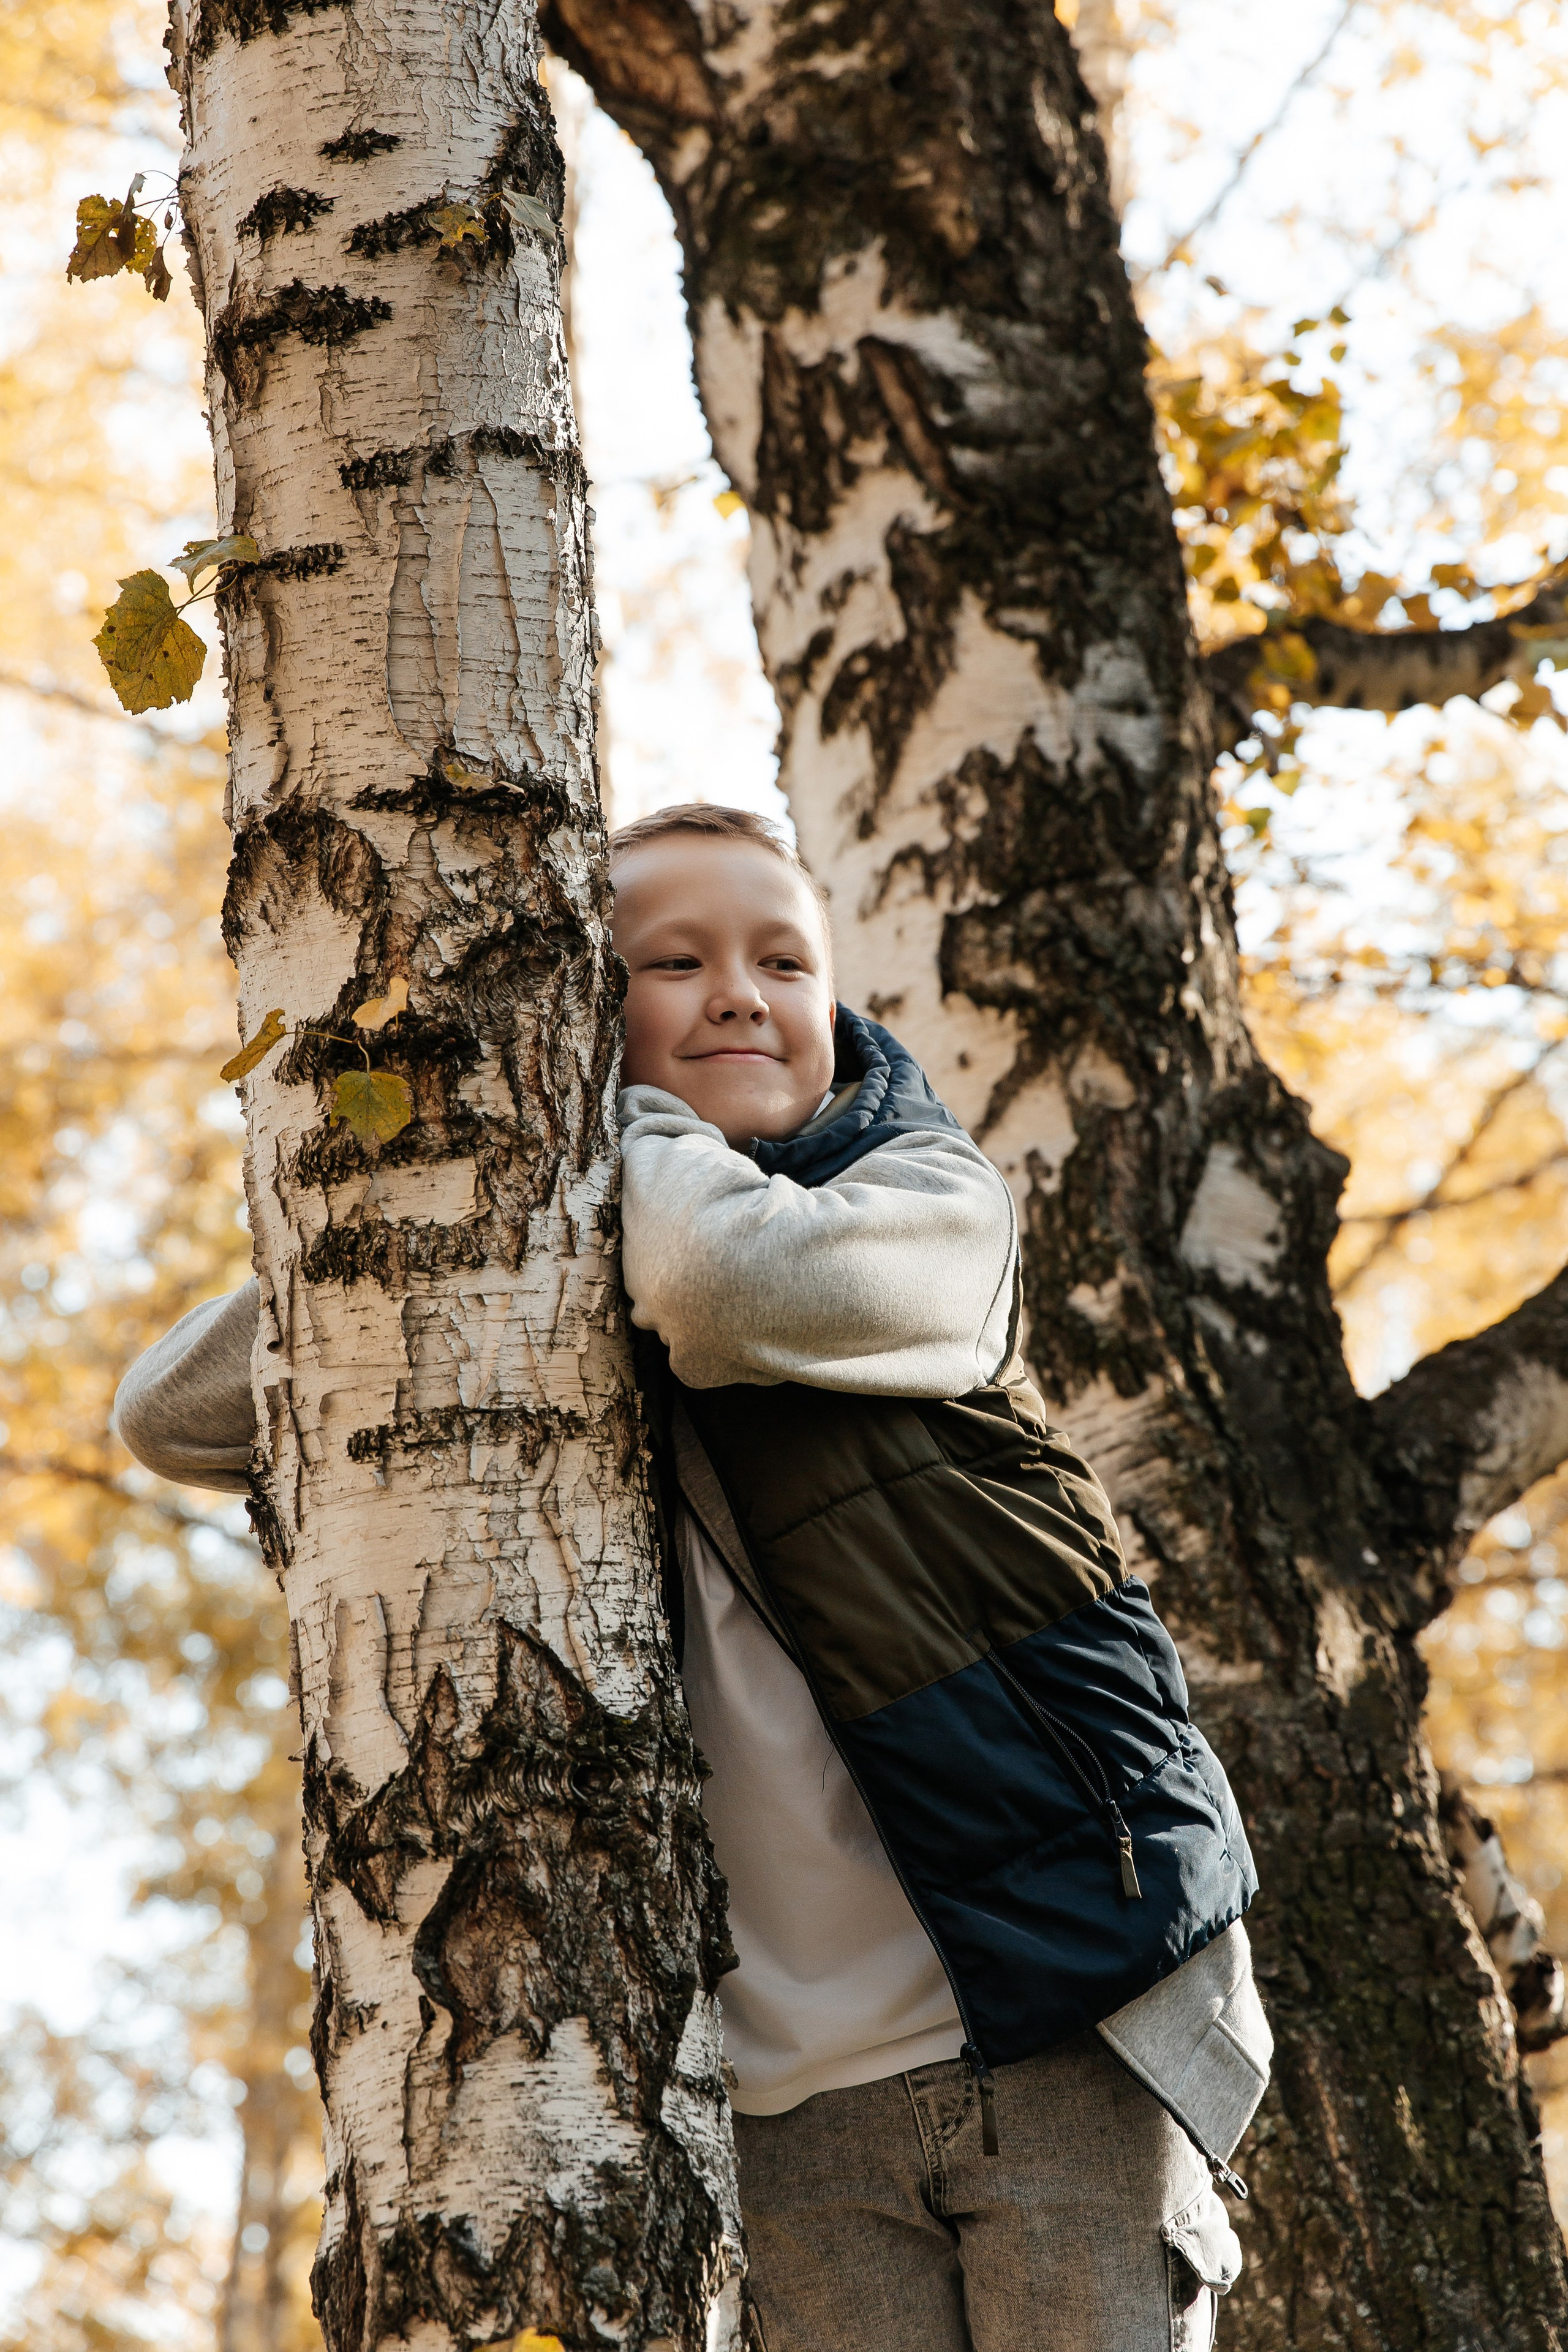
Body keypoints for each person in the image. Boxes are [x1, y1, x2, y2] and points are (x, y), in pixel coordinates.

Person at [115, 803, 1271, 2352]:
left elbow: (722, 1285)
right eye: (673, 961)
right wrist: (467, 1185)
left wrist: (609, 1123)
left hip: (1068, 2015)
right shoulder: (548, 1268)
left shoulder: (925, 1207)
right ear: (579, 1006)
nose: (740, 993)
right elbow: (174, 1415)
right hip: (785, 2100)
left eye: (783, 961)